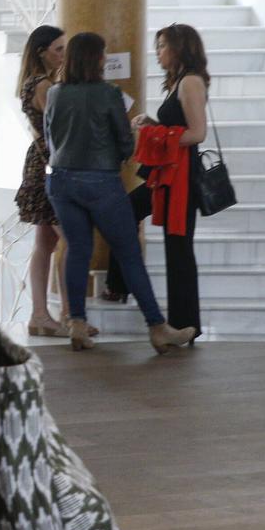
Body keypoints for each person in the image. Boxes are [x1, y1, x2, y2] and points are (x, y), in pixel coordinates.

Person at [43, 33, 197, 353]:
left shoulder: (55, 93)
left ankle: (77, 325)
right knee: (128, 254)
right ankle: (157, 327)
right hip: (100, 182)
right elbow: (125, 143)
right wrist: (127, 142)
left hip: (60, 181)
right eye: (102, 54)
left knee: (77, 250)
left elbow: (49, 137)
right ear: (96, 59)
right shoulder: (108, 93)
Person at [102, 23, 209, 342]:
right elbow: (178, 126)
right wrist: (154, 124)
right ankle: (119, 286)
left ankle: (186, 324)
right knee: (123, 213)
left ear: (179, 48)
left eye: (162, 45)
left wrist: (157, 133)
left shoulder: (190, 81)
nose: (157, 52)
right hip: (165, 171)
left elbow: (197, 133)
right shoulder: (178, 81)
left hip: (180, 175)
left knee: (178, 247)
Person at [14, 24, 75, 338]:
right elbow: (60, 129)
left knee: (45, 243)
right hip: (50, 163)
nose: (63, 55)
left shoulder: (33, 82)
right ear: (42, 52)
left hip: (39, 162)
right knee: (73, 240)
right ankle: (67, 312)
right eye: (59, 49)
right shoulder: (44, 86)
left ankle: (41, 313)